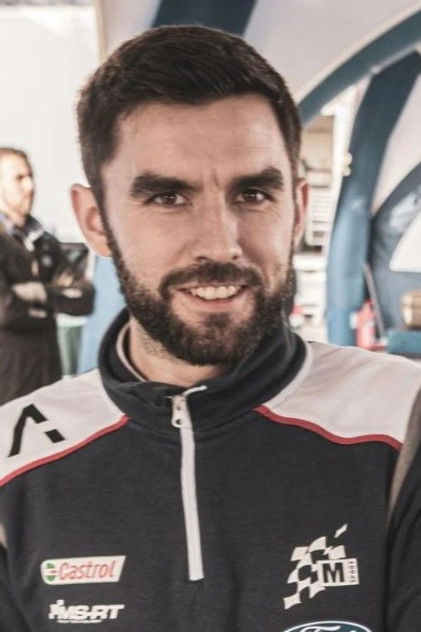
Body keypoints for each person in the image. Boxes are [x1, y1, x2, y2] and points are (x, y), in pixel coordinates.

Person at [0, 27, 420, 632]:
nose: (220, 243)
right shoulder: (14, 464)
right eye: (168, 198)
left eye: (253, 193)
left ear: (297, 210)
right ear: (95, 221)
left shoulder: (403, 418)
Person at [0, 148, 94, 404]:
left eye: (31, 176)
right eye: (19, 178)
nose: (30, 186)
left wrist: (40, 293)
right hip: (7, 387)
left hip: (46, 384)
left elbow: (84, 299)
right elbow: (6, 311)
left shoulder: (46, 243)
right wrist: (54, 304)